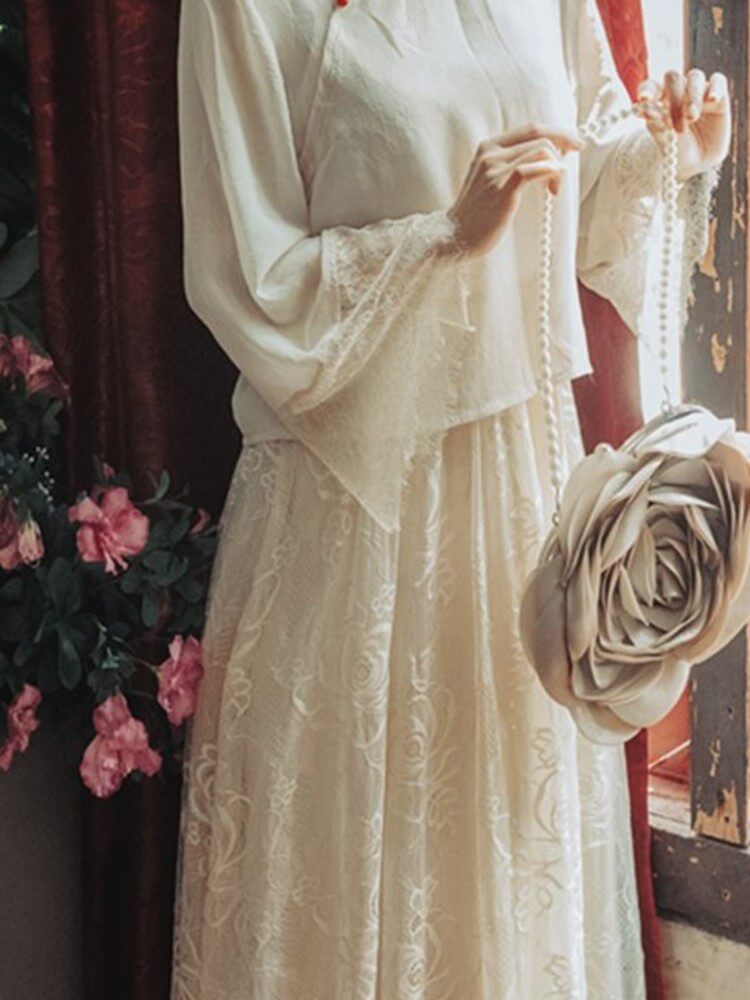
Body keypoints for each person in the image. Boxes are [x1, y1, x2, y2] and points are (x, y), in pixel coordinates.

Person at [170, 1, 730, 996]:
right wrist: (443, 236)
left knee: (512, 878)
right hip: (351, 510)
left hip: (518, 498)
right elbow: (247, 276)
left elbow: (585, 181)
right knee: (345, 890)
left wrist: (668, 148)